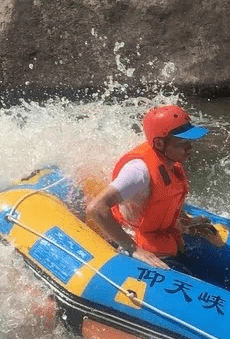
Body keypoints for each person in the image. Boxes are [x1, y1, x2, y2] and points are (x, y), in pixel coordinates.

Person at [86, 104, 217, 270]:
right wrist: (133, 249)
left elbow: (165, 197)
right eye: (183, 142)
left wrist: (184, 221)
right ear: (160, 143)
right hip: (132, 236)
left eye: (191, 140)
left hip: (159, 233)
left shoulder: (170, 160)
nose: (190, 147)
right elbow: (96, 208)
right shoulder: (138, 171)